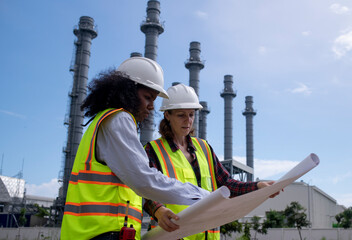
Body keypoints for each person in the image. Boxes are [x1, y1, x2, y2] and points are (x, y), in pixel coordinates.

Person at [60, 57, 210, 240]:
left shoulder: (103, 120)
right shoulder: (119, 119)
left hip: (94, 232)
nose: (151, 106)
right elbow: (144, 179)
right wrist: (204, 196)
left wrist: (158, 209)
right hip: (103, 234)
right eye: (147, 97)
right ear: (127, 91)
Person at [143, 83, 278, 240]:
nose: (188, 121)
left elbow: (227, 184)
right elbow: (144, 188)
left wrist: (258, 186)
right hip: (173, 235)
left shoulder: (204, 148)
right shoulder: (153, 150)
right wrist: (158, 210)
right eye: (181, 115)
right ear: (167, 115)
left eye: (191, 115)